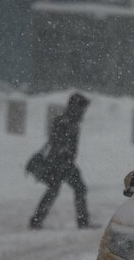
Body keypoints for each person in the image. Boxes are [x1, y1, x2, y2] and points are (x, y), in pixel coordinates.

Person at [29, 93, 93, 230]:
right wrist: (63, 153)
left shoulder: (71, 122)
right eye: (82, 108)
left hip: (64, 163)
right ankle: (82, 222)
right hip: (59, 163)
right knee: (74, 189)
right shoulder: (64, 122)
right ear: (75, 107)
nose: (83, 112)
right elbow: (56, 142)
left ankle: (36, 220)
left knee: (56, 190)